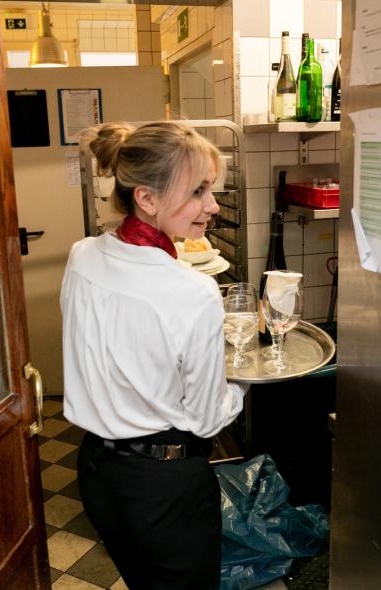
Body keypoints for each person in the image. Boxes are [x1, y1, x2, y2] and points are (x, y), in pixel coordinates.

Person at [60, 121, 248, 589]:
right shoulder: (194, 291)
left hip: (97, 473)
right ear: (147, 198)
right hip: (163, 487)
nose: (212, 205)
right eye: (199, 191)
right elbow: (207, 420)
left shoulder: (82, 255)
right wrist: (242, 377)